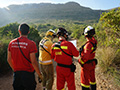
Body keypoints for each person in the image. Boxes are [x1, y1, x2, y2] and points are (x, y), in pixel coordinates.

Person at [7, 23, 42, 90]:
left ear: (19, 31)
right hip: (28, 75)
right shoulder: (31, 44)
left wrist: (15, 69)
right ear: (28, 32)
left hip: (17, 75)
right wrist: (39, 74)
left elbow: (9, 59)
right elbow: (33, 62)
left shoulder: (11, 43)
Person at [79, 26, 97, 90]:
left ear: (86, 35)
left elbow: (85, 56)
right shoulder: (94, 42)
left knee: (84, 81)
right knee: (92, 79)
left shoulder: (88, 45)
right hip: (92, 64)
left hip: (86, 65)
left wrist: (80, 61)